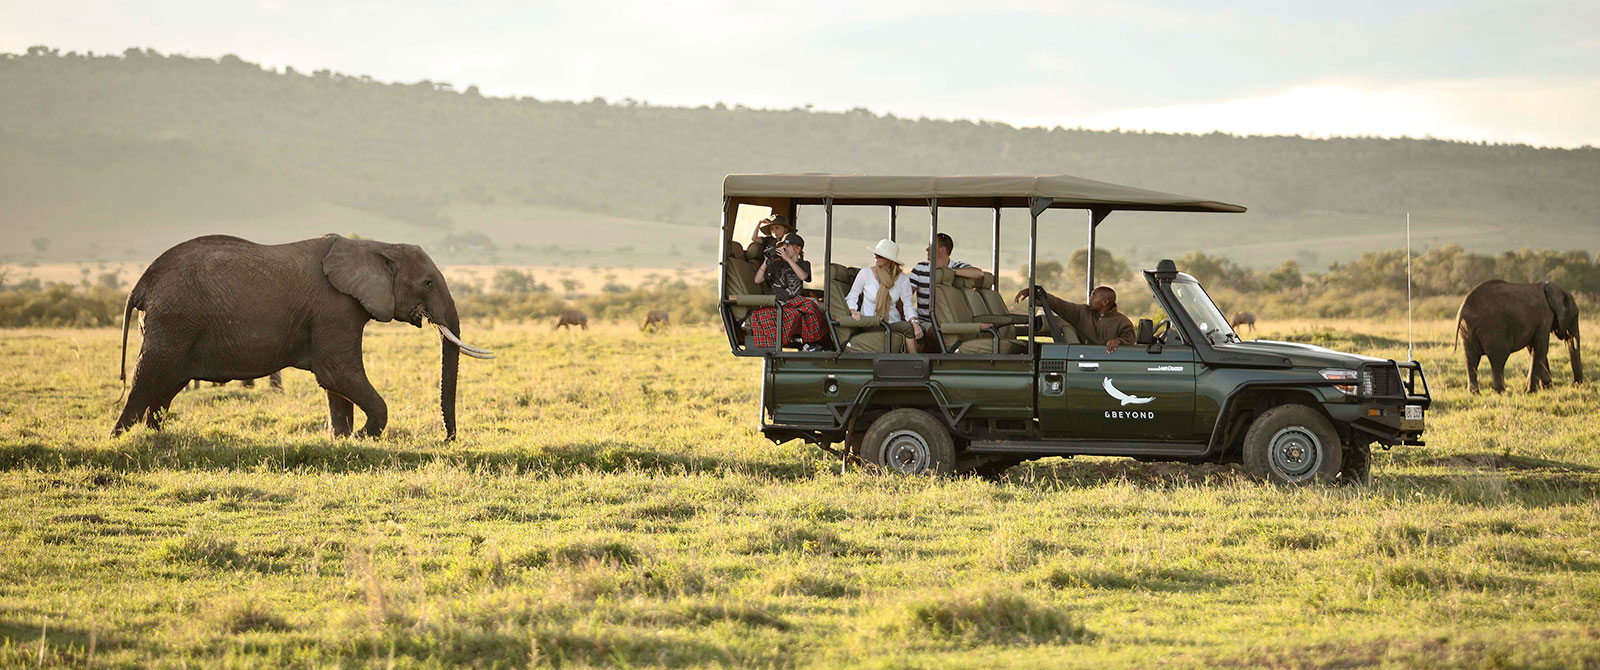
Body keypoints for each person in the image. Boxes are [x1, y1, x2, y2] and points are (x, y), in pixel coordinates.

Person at [747, 233, 828, 351]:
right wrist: (766, 261)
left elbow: (803, 276)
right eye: (782, 246)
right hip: (780, 302)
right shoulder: (776, 264)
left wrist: (788, 260)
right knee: (810, 305)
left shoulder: (804, 264)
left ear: (798, 249)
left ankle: (814, 342)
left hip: (796, 301)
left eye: (787, 246)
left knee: (813, 306)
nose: (784, 249)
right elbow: (757, 280)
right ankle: (809, 343)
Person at [908, 233, 986, 351]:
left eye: (931, 246)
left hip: (951, 321)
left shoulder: (957, 266)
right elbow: (906, 297)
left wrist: (950, 273)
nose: (927, 249)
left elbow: (978, 273)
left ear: (942, 250)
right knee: (939, 331)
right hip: (925, 321)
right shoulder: (920, 269)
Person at [845, 239, 924, 352]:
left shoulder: (902, 279)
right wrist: (853, 311)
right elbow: (852, 297)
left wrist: (915, 323)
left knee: (909, 328)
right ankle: (914, 360)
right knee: (906, 328)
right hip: (870, 322)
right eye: (875, 254)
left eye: (880, 255)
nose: (876, 257)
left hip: (891, 323)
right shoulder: (865, 273)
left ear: (890, 260)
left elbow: (908, 306)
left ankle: (914, 361)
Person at [1013, 284, 1136, 353]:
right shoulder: (1082, 312)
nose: (1090, 298)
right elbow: (1059, 304)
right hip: (1082, 357)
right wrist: (1033, 291)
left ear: (1105, 302)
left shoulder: (1122, 322)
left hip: (1107, 362)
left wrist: (1119, 341)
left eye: (1094, 296)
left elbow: (1131, 342)